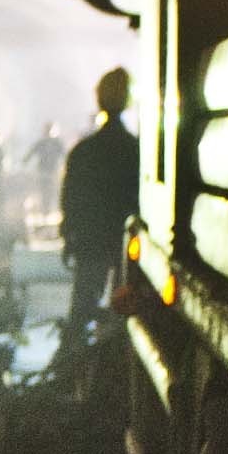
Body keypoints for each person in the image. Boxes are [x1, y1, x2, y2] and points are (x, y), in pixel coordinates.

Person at [57, 67, 143, 368]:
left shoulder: (84, 151)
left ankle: (69, 367)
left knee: (82, 308)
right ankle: (114, 368)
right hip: (123, 242)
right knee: (123, 309)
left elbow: (71, 199)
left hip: (91, 240)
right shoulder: (136, 150)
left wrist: (70, 238)